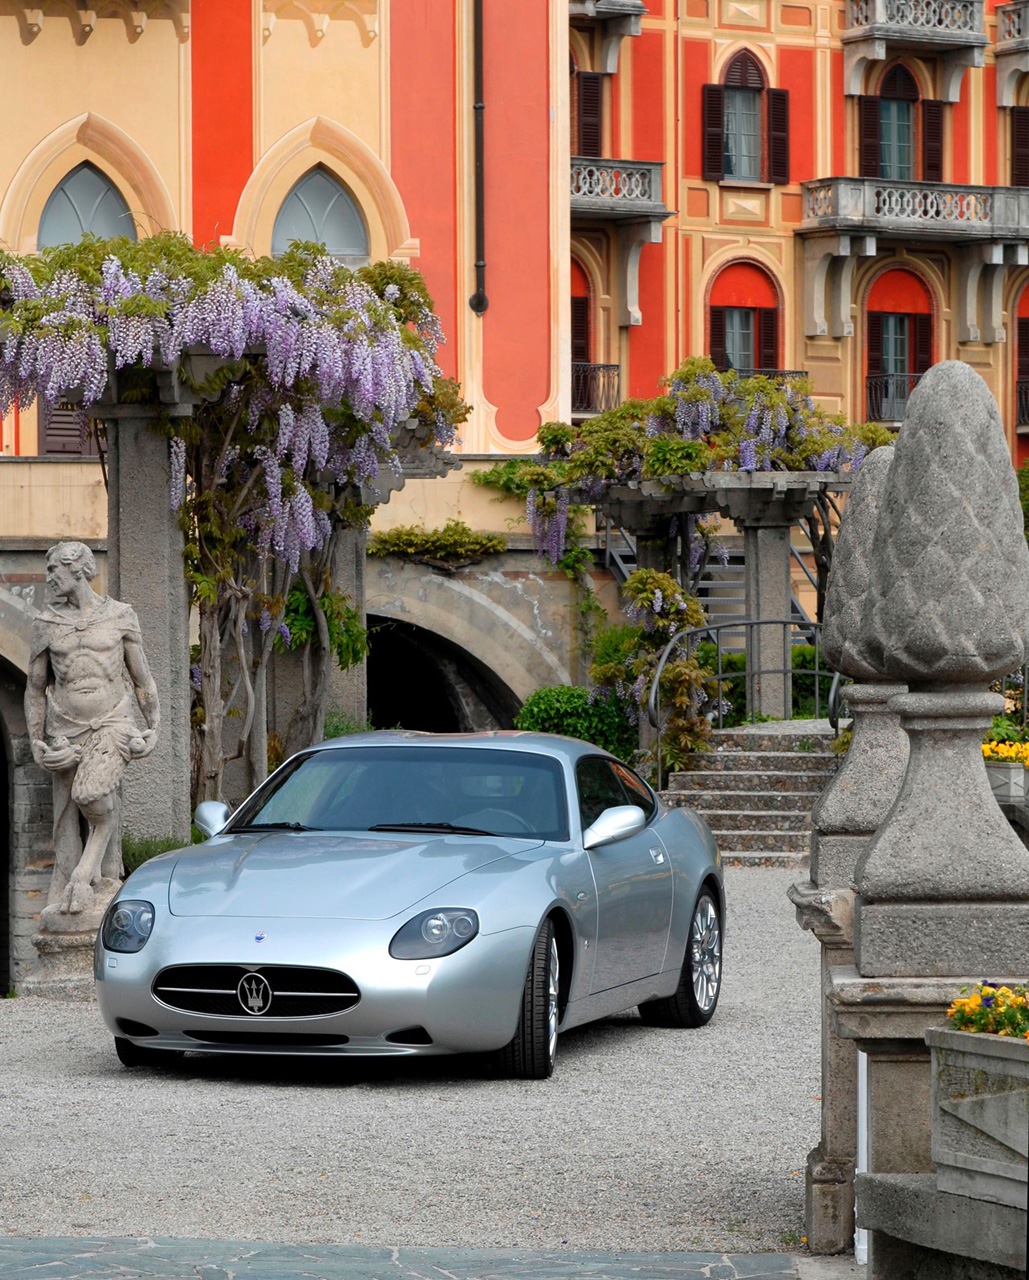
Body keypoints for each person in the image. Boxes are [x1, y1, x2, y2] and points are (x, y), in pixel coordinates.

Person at [24, 541, 160, 915]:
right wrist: (38, 741)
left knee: (93, 796)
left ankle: (98, 877)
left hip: (113, 724)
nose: (48, 577)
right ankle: (65, 893)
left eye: (54, 569)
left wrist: (153, 726)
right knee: (65, 814)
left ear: (79, 569)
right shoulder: (46, 623)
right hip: (65, 730)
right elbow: (36, 689)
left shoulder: (120, 615)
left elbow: (142, 679)